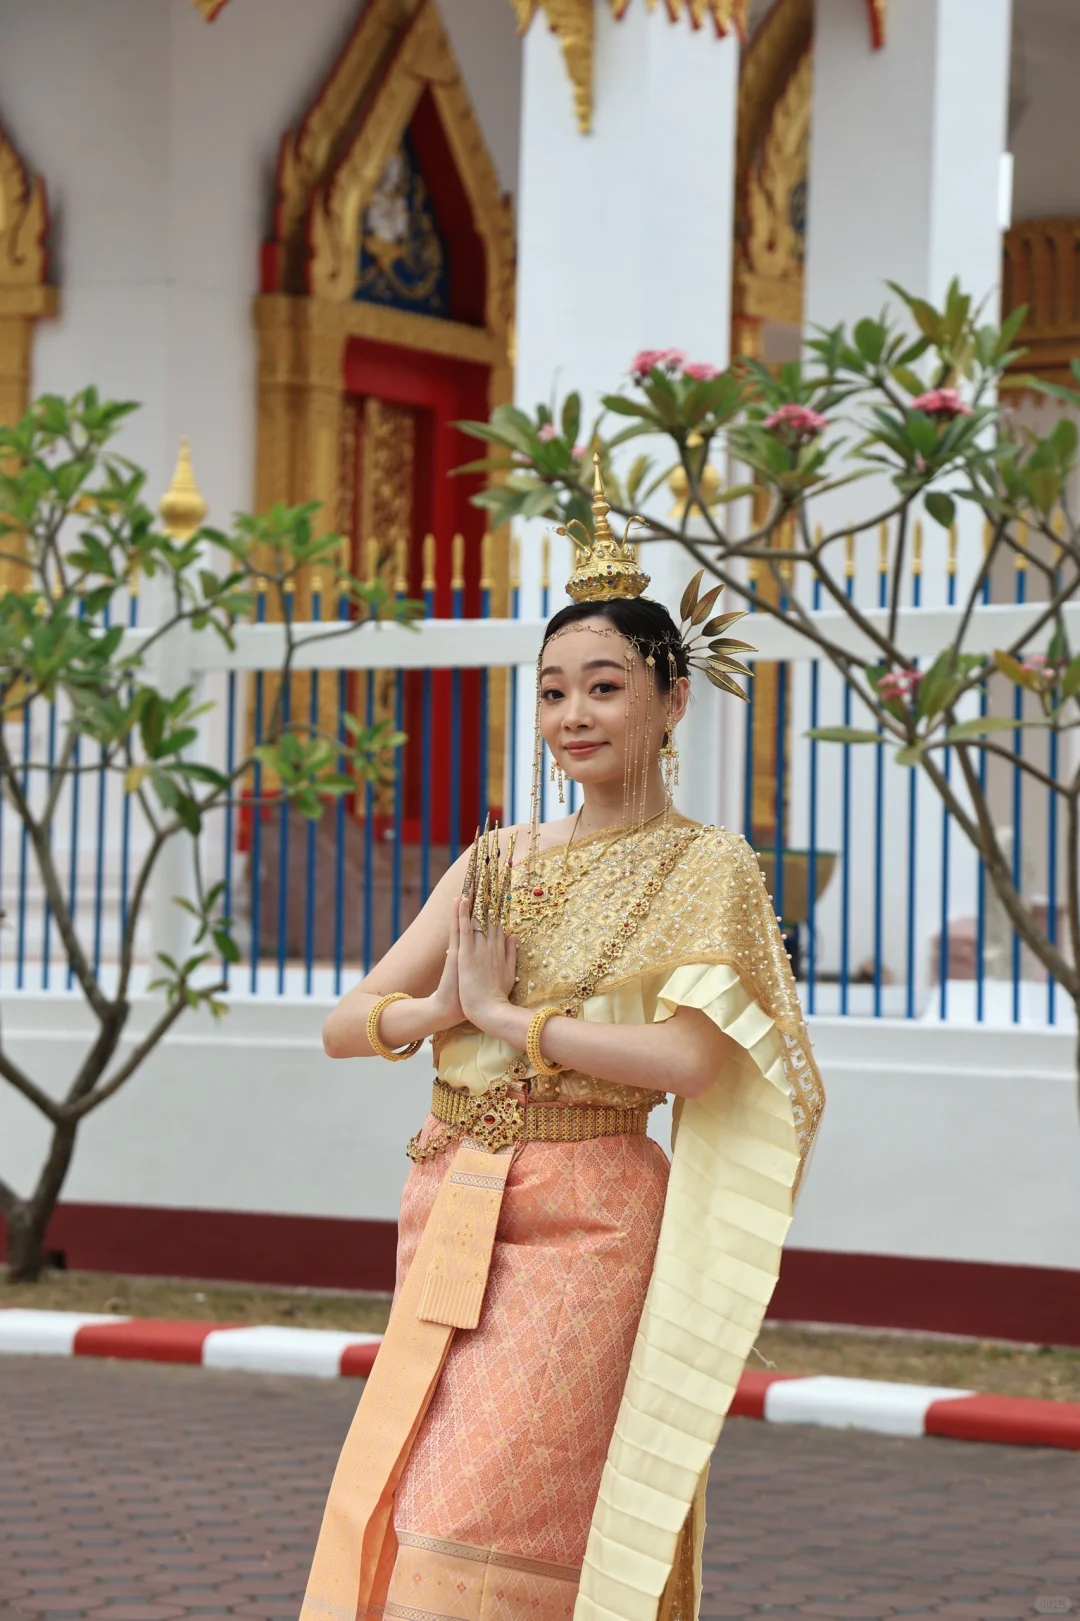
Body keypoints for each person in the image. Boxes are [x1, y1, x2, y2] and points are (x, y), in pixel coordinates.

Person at [300, 460, 824, 1621]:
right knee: (403, 1483)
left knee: (481, 1505)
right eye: (551, 692)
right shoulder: (495, 860)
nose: (573, 717)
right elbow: (345, 1022)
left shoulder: (708, 865)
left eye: (604, 686)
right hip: (453, 1199)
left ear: (671, 698)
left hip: (591, 1211)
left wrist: (505, 1019)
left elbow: (692, 1062)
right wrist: (442, 1012)